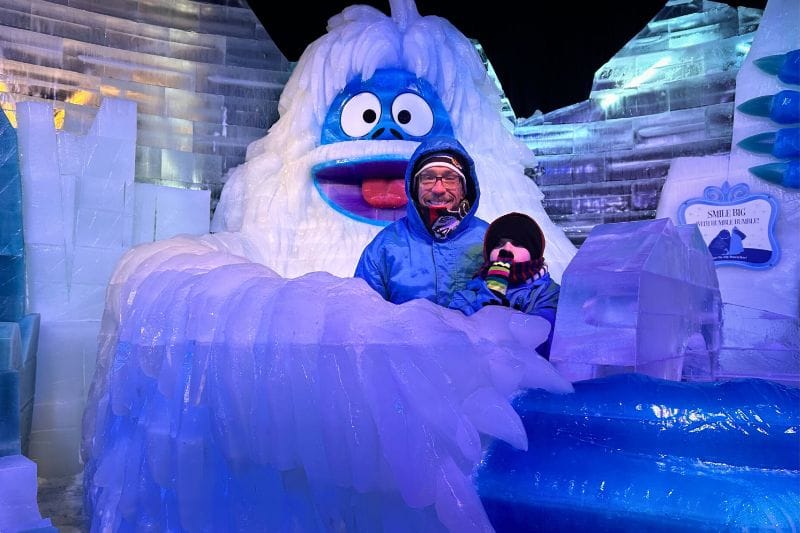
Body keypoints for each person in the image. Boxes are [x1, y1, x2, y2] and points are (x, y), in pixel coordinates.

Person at [354, 136, 488, 305]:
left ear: (464, 188)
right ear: (414, 187)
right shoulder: (384, 247)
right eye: (428, 177)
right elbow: (361, 314)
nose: (438, 189)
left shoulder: (489, 241)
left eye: (449, 178)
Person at [449, 212, 560, 359]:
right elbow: (456, 332)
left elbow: (543, 336)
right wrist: (492, 291)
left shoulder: (548, 293)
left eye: (518, 244)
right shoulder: (470, 293)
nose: (506, 249)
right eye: (499, 244)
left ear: (533, 252)